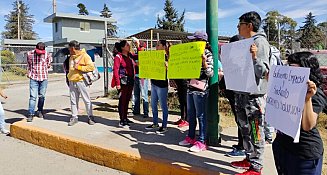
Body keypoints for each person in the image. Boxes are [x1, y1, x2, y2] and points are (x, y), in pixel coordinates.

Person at [273, 52, 327, 175]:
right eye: (288, 66)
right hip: (283, 146)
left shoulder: (316, 94)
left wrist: (307, 99)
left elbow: (308, 126)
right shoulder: (286, 88)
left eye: (293, 67)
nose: (289, 71)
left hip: (303, 154)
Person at [230, 11, 270, 175]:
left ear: (249, 25)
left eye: (240, 24)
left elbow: (263, 71)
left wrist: (254, 57)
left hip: (254, 97)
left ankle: (256, 167)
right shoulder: (243, 42)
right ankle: (249, 157)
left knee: (256, 131)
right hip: (242, 93)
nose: (238, 27)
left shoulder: (259, 42)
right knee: (245, 128)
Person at [178, 31, 214, 153]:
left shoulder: (208, 54)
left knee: (201, 115)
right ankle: (191, 137)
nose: (192, 42)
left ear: (201, 41)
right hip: (190, 88)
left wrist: (204, 62)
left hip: (201, 90)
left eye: (194, 40)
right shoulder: (191, 53)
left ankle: (202, 141)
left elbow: (210, 73)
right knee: (191, 114)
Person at [220, 35, 246, 157]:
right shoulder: (233, 59)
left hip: (241, 96)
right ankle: (241, 144)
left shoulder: (246, 60)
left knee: (243, 122)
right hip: (233, 93)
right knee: (239, 120)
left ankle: (243, 147)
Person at [67, 40, 95, 126]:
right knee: (73, 100)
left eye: (69, 48)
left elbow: (91, 67)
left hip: (81, 81)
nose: (69, 50)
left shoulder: (85, 56)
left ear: (72, 48)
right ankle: (74, 117)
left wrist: (79, 67)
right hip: (72, 80)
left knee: (86, 99)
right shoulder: (71, 57)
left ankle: (90, 116)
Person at [145, 40, 169, 134]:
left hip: (162, 86)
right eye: (156, 45)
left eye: (158, 45)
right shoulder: (154, 56)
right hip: (154, 84)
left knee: (163, 106)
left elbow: (172, 70)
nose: (156, 47)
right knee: (153, 105)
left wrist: (168, 66)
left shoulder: (167, 57)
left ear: (164, 46)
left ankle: (164, 125)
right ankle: (155, 123)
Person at [111, 40, 135, 128]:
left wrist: (139, 46)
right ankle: (122, 120)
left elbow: (139, 56)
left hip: (130, 80)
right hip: (123, 81)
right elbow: (116, 70)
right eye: (127, 45)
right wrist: (118, 83)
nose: (129, 46)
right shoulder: (118, 57)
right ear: (122, 47)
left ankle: (125, 117)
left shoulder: (130, 56)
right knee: (122, 100)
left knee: (127, 99)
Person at [26, 42, 52, 122]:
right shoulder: (30, 54)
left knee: (42, 96)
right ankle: (31, 114)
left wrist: (47, 65)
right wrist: (28, 72)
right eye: (38, 52)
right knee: (33, 97)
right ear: (35, 48)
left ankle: (40, 110)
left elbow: (48, 64)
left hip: (43, 77)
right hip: (34, 78)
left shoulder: (47, 54)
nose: (40, 54)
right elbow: (29, 64)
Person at [131, 38, 149, 118]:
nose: (139, 48)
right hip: (136, 77)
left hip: (143, 78)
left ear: (144, 48)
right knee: (136, 94)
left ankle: (146, 112)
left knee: (144, 95)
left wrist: (138, 44)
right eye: (139, 46)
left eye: (141, 47)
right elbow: (132, 55)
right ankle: (136, 111)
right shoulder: (136, 55)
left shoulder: (146, 55)